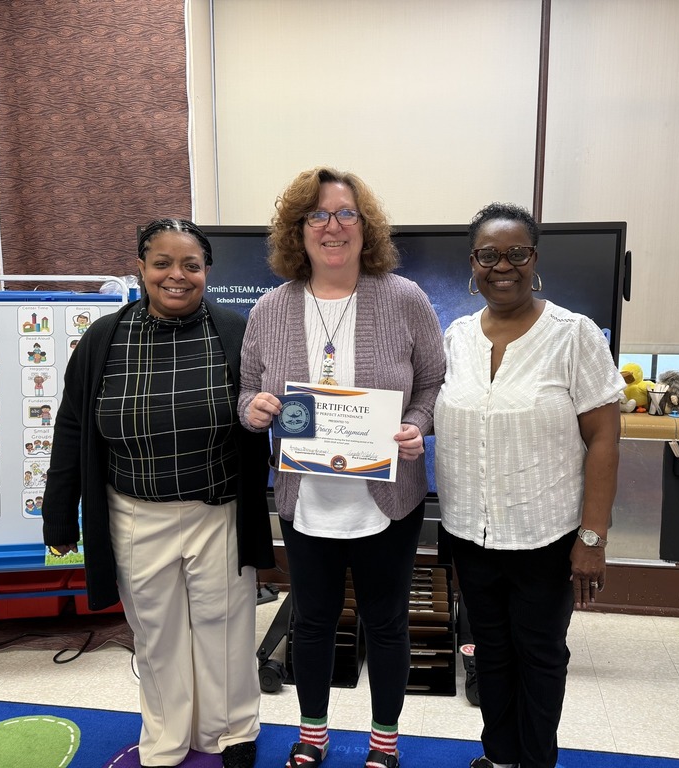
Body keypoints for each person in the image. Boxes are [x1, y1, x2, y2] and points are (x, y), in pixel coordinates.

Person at [41, 218, 274, 768]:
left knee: (225, 630)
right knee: (157, 634)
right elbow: (72, 426)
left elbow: (269, 412)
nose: (177, 275)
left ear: (207, 272)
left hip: (216, 511)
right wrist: (58, 514)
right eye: (162, 263)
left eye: (190, 265)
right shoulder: (103, 339)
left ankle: (232, 732)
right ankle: (166, 737)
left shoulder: (237, 332)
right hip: (134, 514)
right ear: (141, 268)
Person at [238, 167, 445, 768]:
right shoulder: (270, 310)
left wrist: (417, 426)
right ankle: (313, 735)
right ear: (297, 231)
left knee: (386, 624)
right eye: (317, 216)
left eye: (345, 214)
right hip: (306, 501)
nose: (332, 226)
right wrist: (254, 410)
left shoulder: (404, 299)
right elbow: (248, 392)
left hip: (387, 501)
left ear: (365, 226)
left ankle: (384, 741)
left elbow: (432, 382)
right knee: (312, 622)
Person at [434, 203, 623, 768]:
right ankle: (499, 757)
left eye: (517, 253)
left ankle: (536, 761)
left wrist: (592, 538)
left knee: (539, 655)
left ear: (534, 259)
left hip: (546, 534)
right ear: (473, 263)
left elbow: (606, 441)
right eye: (489, 255)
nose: (503, 266)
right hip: (470, 532)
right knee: (489, 653)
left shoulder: (573, 335)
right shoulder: (457, 336)